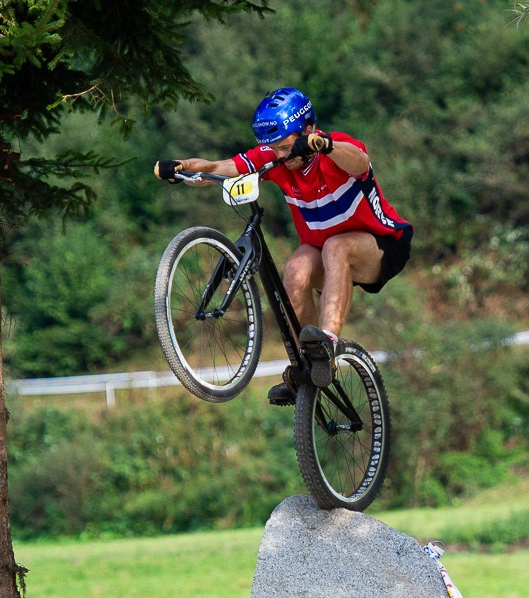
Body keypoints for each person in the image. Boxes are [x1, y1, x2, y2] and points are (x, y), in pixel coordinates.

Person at [157, 88, 414, 407]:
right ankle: (310, 366)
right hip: (325, 252)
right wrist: (183, 168)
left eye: (283, 146)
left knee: (336, 247)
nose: (279, 156)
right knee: (294, 270)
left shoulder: (334, 150)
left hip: (383, 246)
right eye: (272, 148)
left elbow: (359, 161)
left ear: (307, 129)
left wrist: (327, 145)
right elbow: (218, 167)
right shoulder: (275, 159)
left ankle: (328, 342)